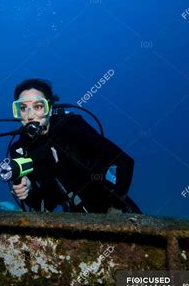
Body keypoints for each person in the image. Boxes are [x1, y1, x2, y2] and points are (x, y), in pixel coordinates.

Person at [9, 78, 141, 214]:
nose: (30, 115)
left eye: (38, 106)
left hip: (114, 209)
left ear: (50, 108)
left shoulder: (71, 127)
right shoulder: (20, 150)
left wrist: (116, 207)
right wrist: (27, 192)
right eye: (23, 108)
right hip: (75, 218)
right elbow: (43, 205)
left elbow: (125, 161)